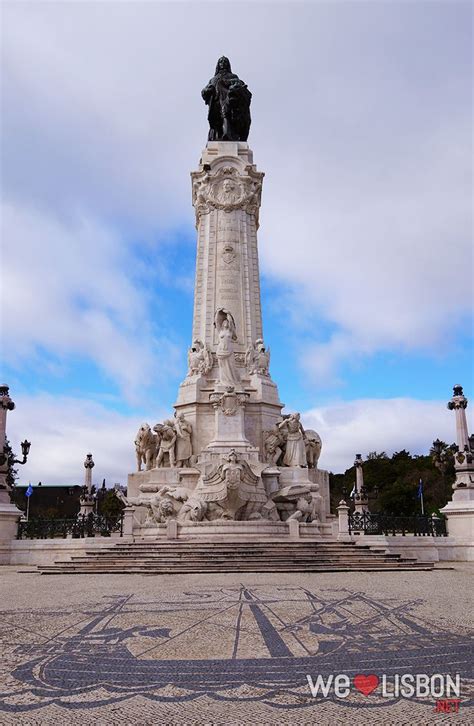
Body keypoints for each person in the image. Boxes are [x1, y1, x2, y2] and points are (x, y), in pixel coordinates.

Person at [202, 56, 251, 141]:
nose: (223, 63)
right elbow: (204, 92)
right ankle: (223, 134)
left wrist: (228, 83)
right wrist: (207, 90)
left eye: (225, 62)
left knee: (226, 113)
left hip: (228, 101)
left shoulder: (232, 76)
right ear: (218, 65)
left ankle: (227, 134)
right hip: (216, 103)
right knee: (220, 116)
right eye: (221, 62)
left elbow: (239, 84)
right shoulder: (213, 79)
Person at [216, 319, 241, 387]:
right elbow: (217, 321)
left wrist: (228, 313)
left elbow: (232, 324)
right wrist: (219, 311)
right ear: (222, 324)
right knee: (222, 367)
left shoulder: (230, 331)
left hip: (229, 349)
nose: (226, 323)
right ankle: (223, 381)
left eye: (227, 322)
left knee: (231, 365)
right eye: (224, 322)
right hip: (221, 349)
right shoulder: (220, 331)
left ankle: (232, 381)